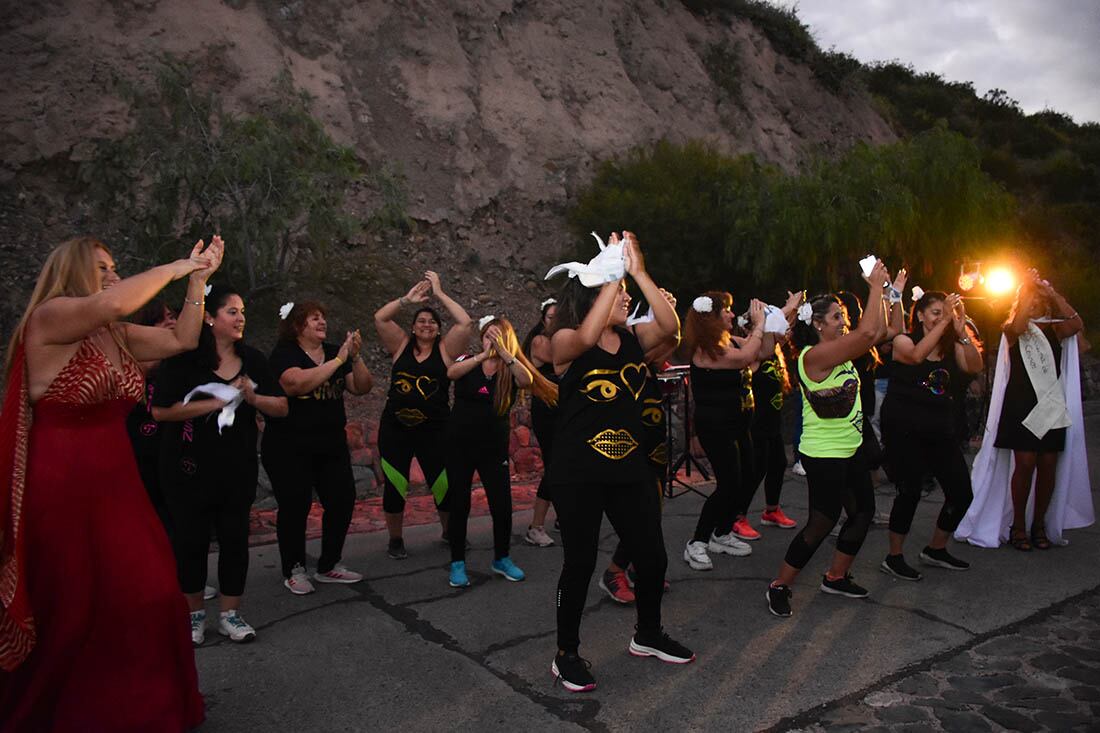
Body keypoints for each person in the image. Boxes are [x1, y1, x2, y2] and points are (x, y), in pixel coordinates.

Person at [0, 235, 221, 729]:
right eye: (101, 267)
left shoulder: (114, 333)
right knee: (75, 606)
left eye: (114, 266)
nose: (113, 275)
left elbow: (182, 340)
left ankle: (141, 707)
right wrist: (179, 264)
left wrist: (199, 283)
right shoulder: (51, 317)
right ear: (74, 273)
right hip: (63, 482)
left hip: (117, 480)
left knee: (149, 589)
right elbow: (113, 302)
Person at [546, 232, 693, 693]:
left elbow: (670, 327)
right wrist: (613, 272)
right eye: (617, 291)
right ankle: (566, 654)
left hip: (628, 467)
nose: (625, 296)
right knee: (580, 561)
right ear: (595, 295)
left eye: (625, 290)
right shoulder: (566, 339)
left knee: (652, 555)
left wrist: (640, 271)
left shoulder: (631, 340)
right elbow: (588, 334)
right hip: (578, 473)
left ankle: (647, 633)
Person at [153, 285, 288, 643]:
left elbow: (282, 407)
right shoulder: (184, 359)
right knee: (191, 542)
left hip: (236, 467)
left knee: (234, 541)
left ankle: (230, 614)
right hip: (187, 467)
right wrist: (211, 403)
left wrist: (253, 396)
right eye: (231, 311)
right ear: (209, 317)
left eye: (242, 311)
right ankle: (194, 615)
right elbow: (160, 410)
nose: (240, 317)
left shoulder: (254, 359)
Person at [766, 260, 889, 618]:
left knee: (863, 512)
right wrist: (874, 287)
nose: (843, 320)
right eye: (836, 316)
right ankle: (779, 585)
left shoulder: (845, 347)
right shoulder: (813, 356)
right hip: (824, 454)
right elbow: (867, 334)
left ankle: (835, 576)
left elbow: (882, 329)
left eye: (842, 316)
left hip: (850, 450)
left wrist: (888, 294)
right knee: (821, 523)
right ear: (817, 324)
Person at [956, 270, 1092, 549]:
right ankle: (1018, 524)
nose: (1037, 304)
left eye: (1041, 301)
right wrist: (1027, 287)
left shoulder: (1055, 329)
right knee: (1025, 463)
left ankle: (1039, 523)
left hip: (1050, 405)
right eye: (1032, 300)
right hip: (1022, 404)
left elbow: (1076, 323)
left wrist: (1051, 292)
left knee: (1048, 466)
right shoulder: (1014, 330)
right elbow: (1017, 326)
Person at [261, 301, 373, 594]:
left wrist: (355, 358)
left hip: (331, 444)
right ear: (298, 325)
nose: (322, 322)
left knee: (342, 499)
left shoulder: (337, 351)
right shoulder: (285, 354)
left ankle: (329, 564)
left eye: (323, 317)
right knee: (295, 507)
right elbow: (295, 384)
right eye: (314, 319)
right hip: (289, 446)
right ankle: (294, 568)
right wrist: (338, 361)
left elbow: (361, 387)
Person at [445, 317, 557, 587]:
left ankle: (502, 558)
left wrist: (505, 354)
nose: (490, 341)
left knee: (502, 506)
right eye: (487, 336)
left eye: (496, 336)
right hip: (460, 446)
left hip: (492, 450)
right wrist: (482, 356)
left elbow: (527, 379)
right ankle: (457, 563)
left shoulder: (510, 370)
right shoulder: (467, 360)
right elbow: (451, 373)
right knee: (459, 505)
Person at [879, 291, 982, 581]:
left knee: (962, 492)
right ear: (920, 314)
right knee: (909, 490)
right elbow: (915, 356)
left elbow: (974, 367)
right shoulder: (903, 340)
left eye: (944, 312)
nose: (942, 317)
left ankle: (936, 549)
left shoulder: (950, 345)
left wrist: (961, 333)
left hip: (940, 429)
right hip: (905, 428)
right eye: (936, 312)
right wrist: (945, 322)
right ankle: (894, 556)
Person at [374, 272, 471, 559]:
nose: (427, 325)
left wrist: (439, 293)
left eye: (432, 322)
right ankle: (395, 540)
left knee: (443, 485)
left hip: (435, 430)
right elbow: (380, 318)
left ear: (439, 329)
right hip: (395, 429)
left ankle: (448, 533)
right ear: (413, 328)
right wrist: (406, 300)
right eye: (421, 321)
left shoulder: (446, 350)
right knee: (395, 485)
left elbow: (465, 322)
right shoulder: (400, 345)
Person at [599, 288, 680, 604]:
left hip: (651, 433)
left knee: (653, 507)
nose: (625, 299)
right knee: (641, 512)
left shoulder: (634, 341)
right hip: (624, 440)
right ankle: (614, 570)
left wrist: (665, 309)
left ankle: (638, 567)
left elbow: (671, 340)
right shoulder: (616, 340)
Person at [682, 291, 764, 570]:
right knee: (728, 484)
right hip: (715, 426)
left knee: (748, 475)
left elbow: (762, 352)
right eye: (725, 310)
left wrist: (778, 317)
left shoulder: (727, 340)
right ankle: (697, 542)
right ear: (711, 318)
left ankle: (722, 532)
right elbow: (745, 358)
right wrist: (760, 324)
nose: (731, 314)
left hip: (738, 422)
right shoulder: (706, 350)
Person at [745, 291, 804, 532]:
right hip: (756, 422)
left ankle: (771, 510)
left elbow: (781, 328)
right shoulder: (753, 349)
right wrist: (787, 307)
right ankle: (738, 516)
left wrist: (793, 311)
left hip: (772, 422)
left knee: (778, 463)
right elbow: (767, 343)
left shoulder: (774, 346)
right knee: (756, 469)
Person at [126, 299, 178, 534]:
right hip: (142, 448)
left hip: (176, 447)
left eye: (172, 316)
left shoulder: (180, 358)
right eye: (163, 317)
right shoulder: (133, 357)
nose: (171, 321)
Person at [523, 298, 559, 547]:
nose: (555, 321)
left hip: (565, 409)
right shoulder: (540, 341)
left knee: (566, 464)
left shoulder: (564, 337)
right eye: (551, 317)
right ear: (542, 319)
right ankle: (535, 526)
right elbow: (562, 359)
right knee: (555, 467)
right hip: (547, 410)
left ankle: (564, 515)